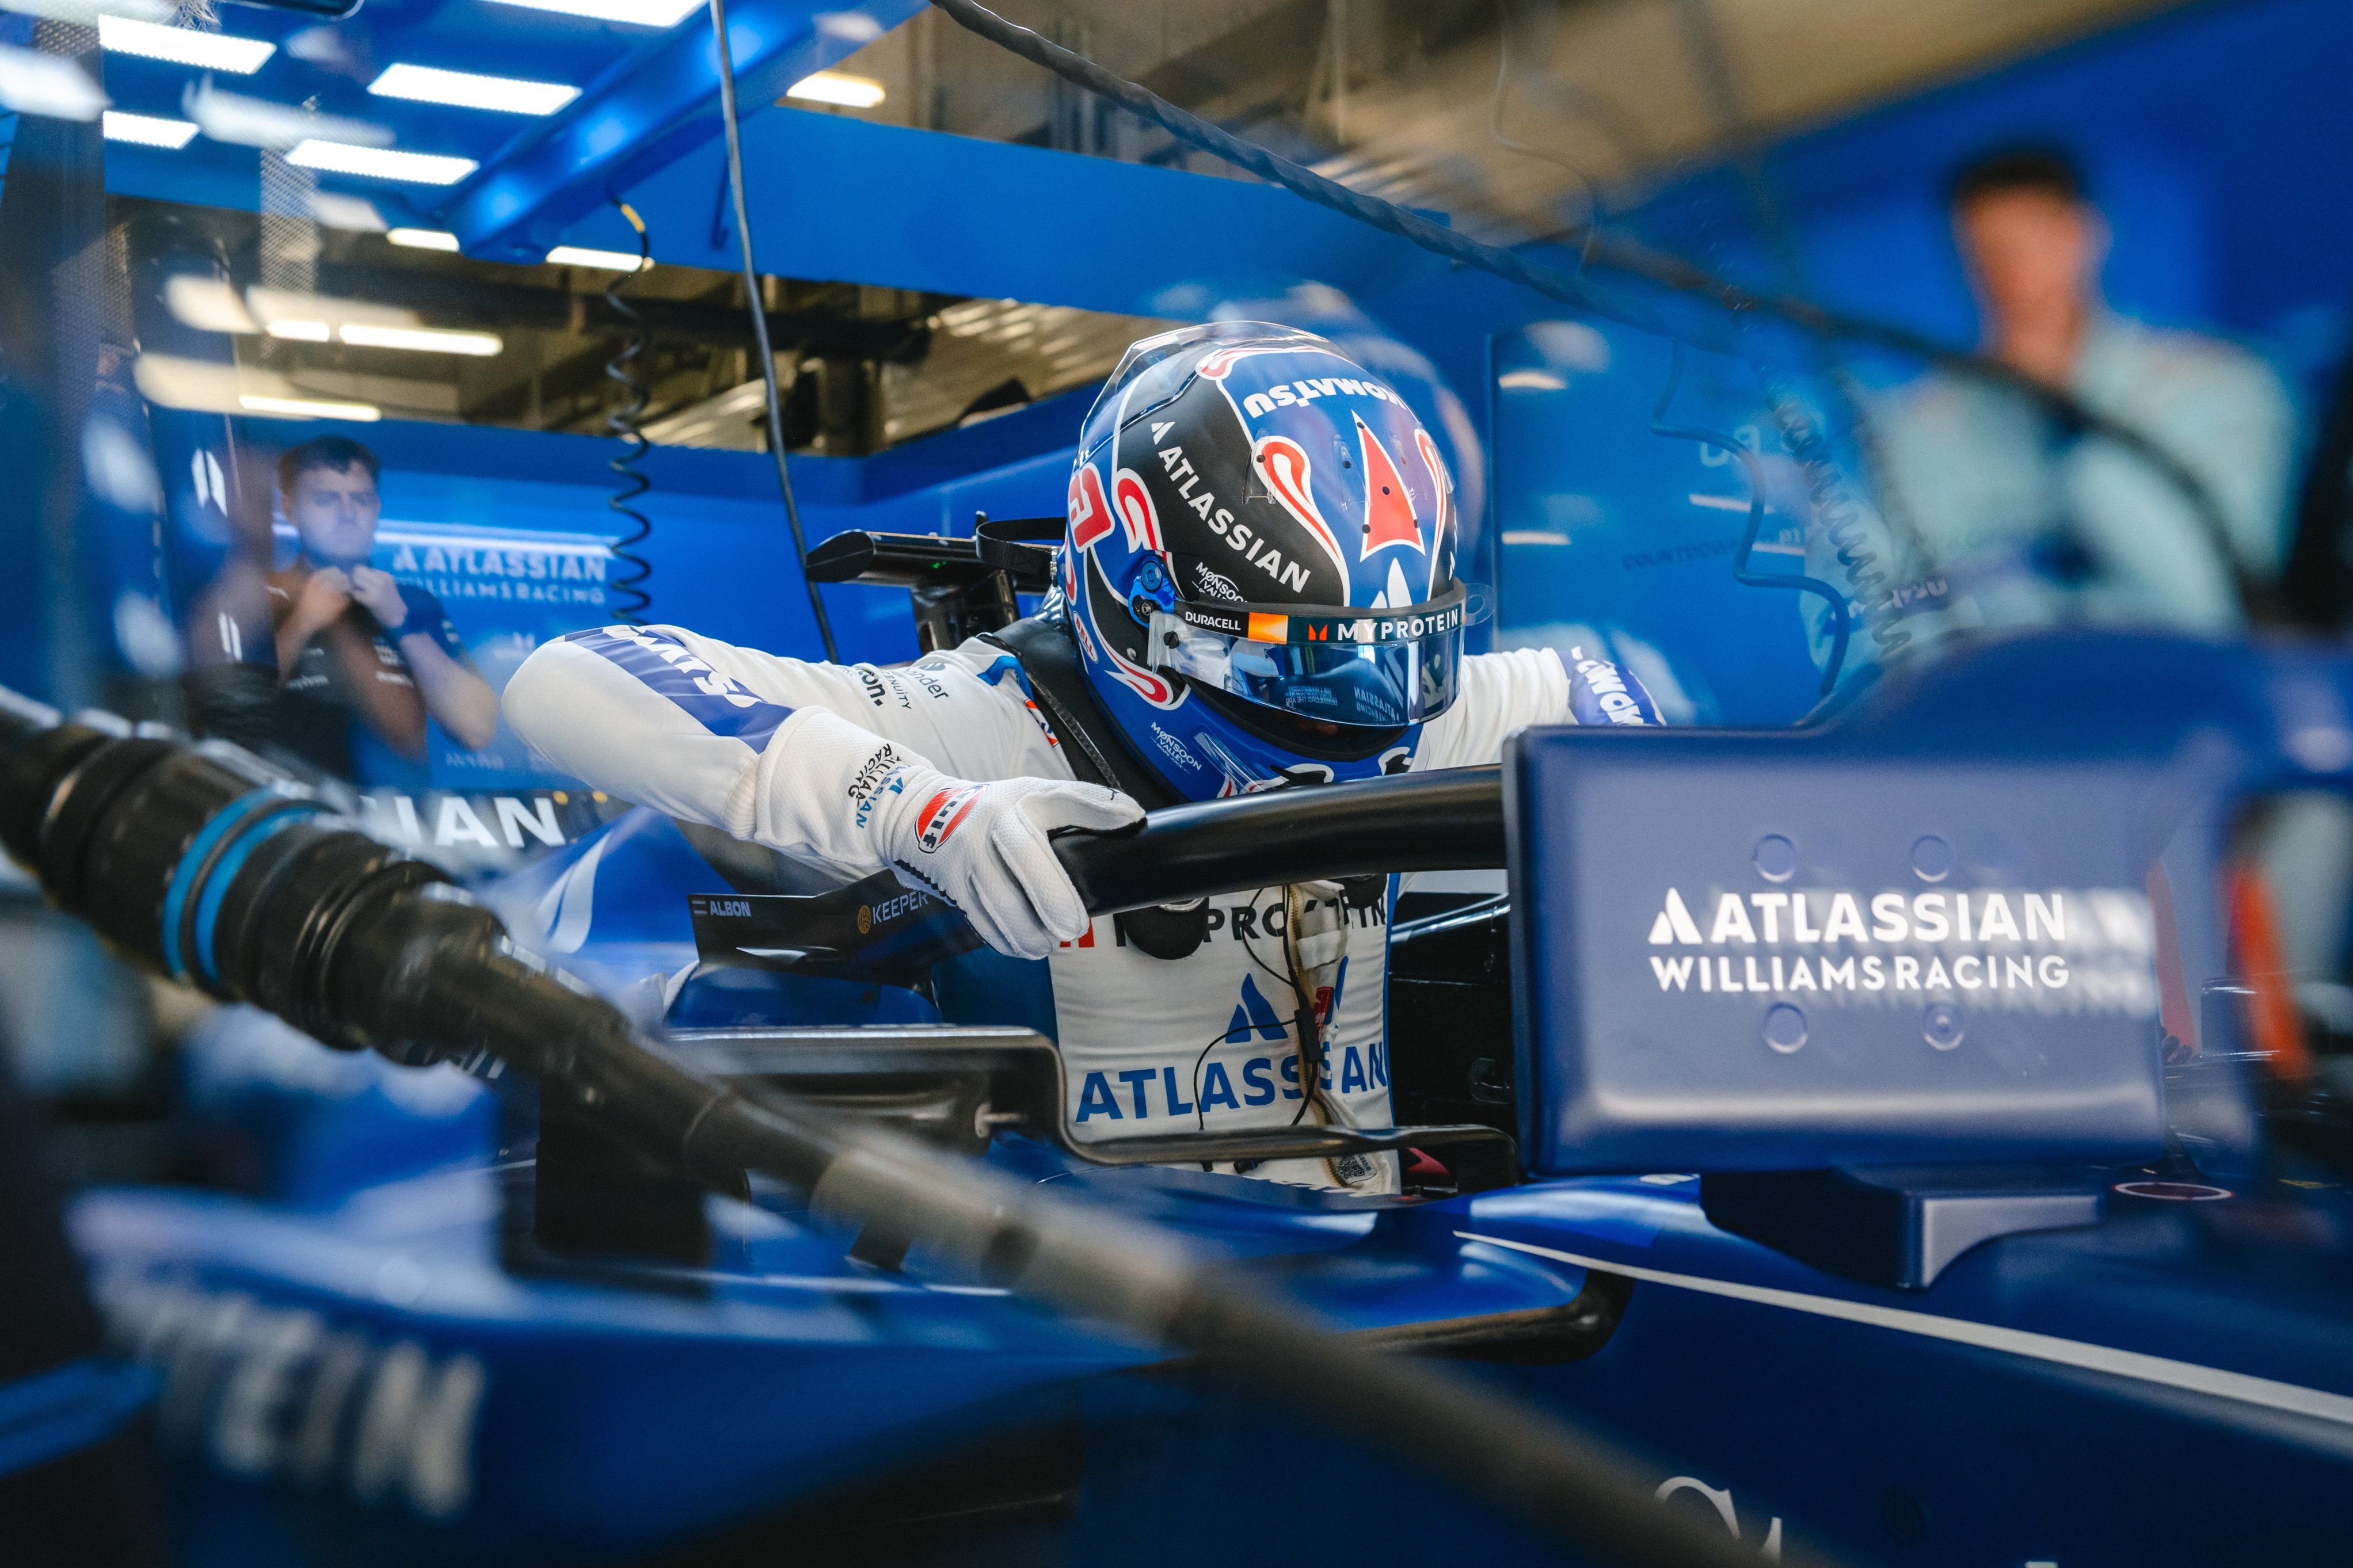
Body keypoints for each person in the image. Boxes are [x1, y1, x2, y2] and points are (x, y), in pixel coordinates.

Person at [503, 323, 1660, 1193]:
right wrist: (921, 812)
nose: (1353, 708)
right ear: (1133, 607)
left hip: (1369, 1300)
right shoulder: (978, 723)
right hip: (1087, 1326)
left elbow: (1650, 745)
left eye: (1388, 658)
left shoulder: (1423, 705)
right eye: (1288, 665)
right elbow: (566, 678)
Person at [1875, 146, 2297, 630]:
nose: (2011, 276)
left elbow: (2211, 601)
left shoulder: (2222, 384)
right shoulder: (1923, 426)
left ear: (2087, 235)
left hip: (2189, 691)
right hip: (2012, 698)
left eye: (2030, 245)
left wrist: (2065, 411)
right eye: (1986, 255)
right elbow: (1911, 615)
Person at [267, 437, 499, 780]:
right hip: (291, 820)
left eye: (360, 500)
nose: (347, 515)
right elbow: (226, 720)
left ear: (376, 508)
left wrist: (402, 624)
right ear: (290, 509)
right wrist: (303, 623)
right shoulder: (266, 596)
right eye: (326, 499)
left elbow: (477, 730)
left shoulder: (412, 603)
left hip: (401, 825)